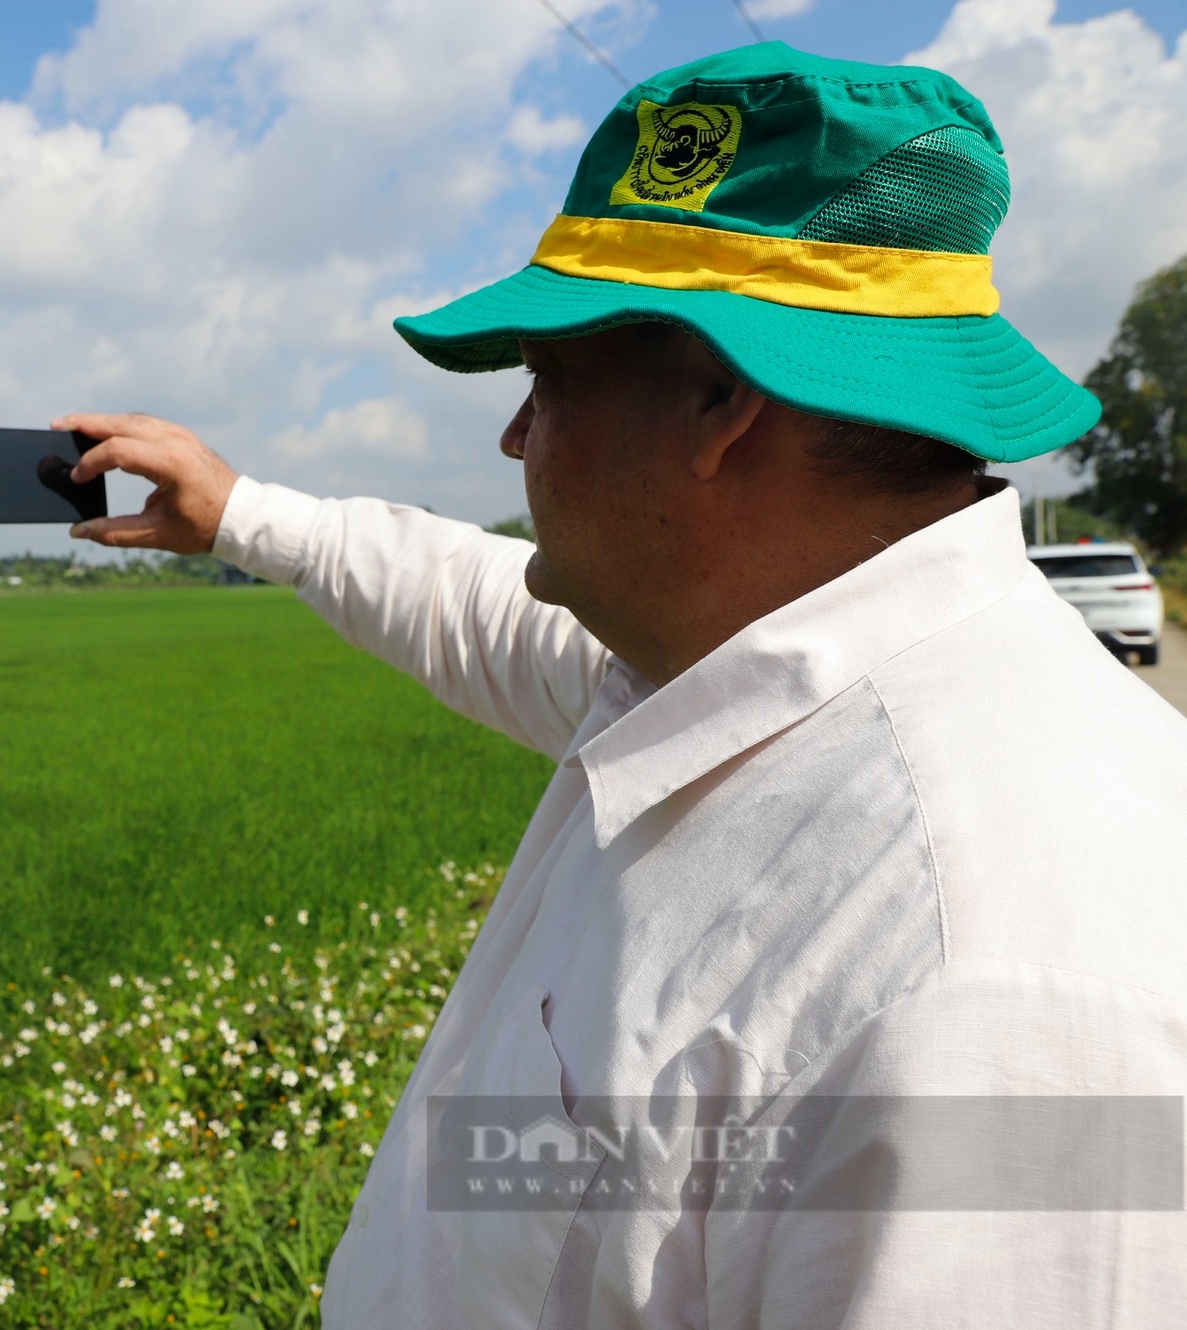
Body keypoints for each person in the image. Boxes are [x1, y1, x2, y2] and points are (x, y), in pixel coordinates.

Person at [57, 43, 1187, 1330]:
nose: (512, 436)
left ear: (721, 403)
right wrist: (243, 513)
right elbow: (469, 601)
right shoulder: (724, 675)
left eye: (545, 377)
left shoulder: (986, 989)